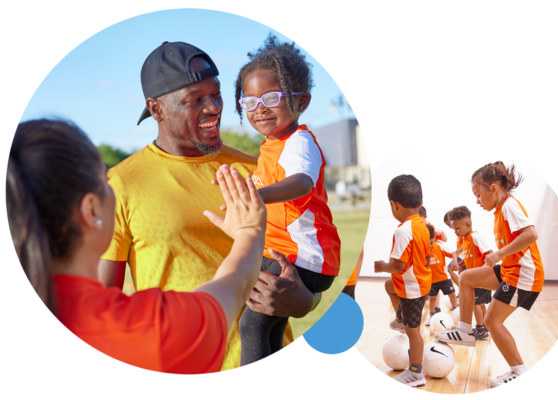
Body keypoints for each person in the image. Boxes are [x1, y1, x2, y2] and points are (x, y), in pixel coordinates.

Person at [97, 41, 319, 379]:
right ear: (156, 109)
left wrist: (302, 300)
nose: (215, 107)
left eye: (216, 95)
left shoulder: (261, 171)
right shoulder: (121, 184)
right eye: (195, 100)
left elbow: (306, 267)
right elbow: (101, 307)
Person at [6, 119, 274, 394]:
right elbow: (236, 284)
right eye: (105, 179)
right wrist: (249, 230)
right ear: (91, 210)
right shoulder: (152, 329)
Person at [233, 33, 341, 394]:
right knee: (268, 330)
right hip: (288, 253)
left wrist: (256, 194)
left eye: (272, 98)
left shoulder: (299, 142)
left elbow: (301, 182)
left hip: (303, 258)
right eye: (249, 100)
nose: (259, 108)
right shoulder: (272, 144)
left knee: (251, 328)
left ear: (301, 101)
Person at [435, 162, 545, 391]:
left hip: (523, 276)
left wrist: (500, 254)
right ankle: (464, 330)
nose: (477, 201)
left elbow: (531, 234)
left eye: (478, 194)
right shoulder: (500, 210)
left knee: (492, 322)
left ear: (493, 188)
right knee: (466, 278)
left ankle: (520, 372)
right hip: (510, 270)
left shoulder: (509, 206)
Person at [375, 175, 431, 391]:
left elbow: (397, 266)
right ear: (420, 202)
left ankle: (416, 372)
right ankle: (400, 318)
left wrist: (381, 266)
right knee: (389, 286)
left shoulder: (403, 230)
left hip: (412, 289)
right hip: (417, 283)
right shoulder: (422, 226)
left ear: (394, 204)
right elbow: (425, 258)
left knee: (413, 332)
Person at [448, 206, 494, 340]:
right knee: (478, 303)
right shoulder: (466, 240)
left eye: (457, 228)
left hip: (481, 278)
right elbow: (472, 257)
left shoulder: (475, 237)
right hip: (476, 278)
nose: (455, 232)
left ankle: (481, 329)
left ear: (468, 225)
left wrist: (482, 271)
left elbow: (490, 254)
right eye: (454, 229)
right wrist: (462, 264)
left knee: (475, 303)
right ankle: (483, 326)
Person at [424, 225, 458, 327]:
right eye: (427, 243)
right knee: (432, 298)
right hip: (431, 280)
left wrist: (455, 262)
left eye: (431, 242)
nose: (429, 245)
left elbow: (453, 253)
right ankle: (431, 315)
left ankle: (456, 313)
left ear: (434, 238)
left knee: (452, 295)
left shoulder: (440, 246)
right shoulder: (422, 249)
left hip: (444, 278)